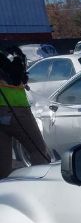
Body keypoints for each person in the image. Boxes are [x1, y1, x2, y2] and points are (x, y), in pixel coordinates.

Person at [0, 45, 50, 178]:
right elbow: (16, 78)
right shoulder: (6, 54)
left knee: (3, 163)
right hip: (15, 109)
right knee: (38, 151)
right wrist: (18, 62)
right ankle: (41, 185)